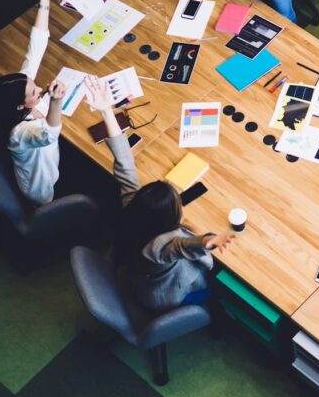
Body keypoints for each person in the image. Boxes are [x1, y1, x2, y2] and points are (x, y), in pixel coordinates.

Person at [87, 76, 236, 311]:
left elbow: (124, 161)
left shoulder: (132, 205)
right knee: (222, 288)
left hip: (137, 271)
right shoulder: (158, 247)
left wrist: (106, 111)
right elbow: (181, 246)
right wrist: (209, 240)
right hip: (165, 295)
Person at [0, 0, 66, 205]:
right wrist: (55, 101)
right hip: (41, 187)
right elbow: (49, 134)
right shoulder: (19, 135)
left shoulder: (23, 90)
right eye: (34, 93)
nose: (39, 89)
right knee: (50, 208)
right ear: (21, 105)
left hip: (51, 161)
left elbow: (37, 45)